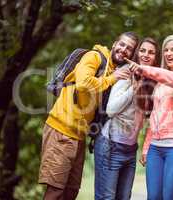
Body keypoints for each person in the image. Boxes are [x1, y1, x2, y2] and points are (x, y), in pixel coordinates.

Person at [38, 32, 139, 200]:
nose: (124, 50)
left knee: (71, 191)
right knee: (55, 190)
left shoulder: (116, 71)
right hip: (60, 129)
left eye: (129, 49)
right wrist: (111, 79)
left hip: (79, 136)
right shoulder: (95, 57)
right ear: (114, 44)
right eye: (122, 44)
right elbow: (83, 83)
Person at [128, 34, 173, 200]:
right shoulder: (160, 82)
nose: (168, 53)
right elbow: (155, 115)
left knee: (170, 197)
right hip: (156, 148)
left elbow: (168, 77)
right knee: (153, 197)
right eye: (165, 49)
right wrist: (146, 147)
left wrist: (142, 68)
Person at [94, 37, 160, 200]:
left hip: (130, 149)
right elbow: (110, 110)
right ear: (137, 54)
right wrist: (133, 89)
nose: (146, 55)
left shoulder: (152, 82)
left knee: (124, 197)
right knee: (107, 197)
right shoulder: (126, 73)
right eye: (143, 50)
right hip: (110, 144)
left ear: (156, 58)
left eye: (151, 53)